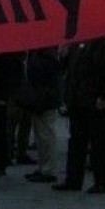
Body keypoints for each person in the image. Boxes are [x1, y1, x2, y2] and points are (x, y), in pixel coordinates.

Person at [53, 37, 105, 194]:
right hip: (77, 99)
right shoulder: (76, 43)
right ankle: (73, 180)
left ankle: (102, 182)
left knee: (98, 143)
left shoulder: (101, 41)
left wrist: (104, 95)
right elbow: (67, 69)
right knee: (76, 141)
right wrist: (63, 55)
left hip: (94, 99)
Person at [22, 47, 62, 183]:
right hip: (40, 99)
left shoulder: (46, 56)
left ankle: (49, 169)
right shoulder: (40, 53)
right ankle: (44, 167)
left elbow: (47, 77)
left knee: (46, 135)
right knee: (41, 136)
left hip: (44, 99)